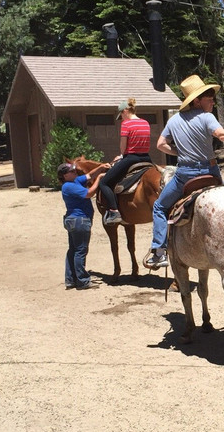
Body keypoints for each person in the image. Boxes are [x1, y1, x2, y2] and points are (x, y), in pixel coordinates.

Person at [143, 75, 224, 269]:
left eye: (211, 96)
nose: (212, 100)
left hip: (185, 175)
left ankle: (159, 252)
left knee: (159, 207)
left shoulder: (174, 121)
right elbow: (221, 134)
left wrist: (178, 152)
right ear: (196, 101)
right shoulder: (207, 117)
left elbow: (160, 145)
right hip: (211, 172)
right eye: (208, 97)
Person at [99, 97, 153, 226]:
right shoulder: (145, 122)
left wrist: (122, 156)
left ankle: (114, 211)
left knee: (104, 183)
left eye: (121, 115)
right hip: (146, 157)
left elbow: (123, 146)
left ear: (125, 111)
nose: (121, 118)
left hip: (131, 158)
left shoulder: (126, 124)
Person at [59, 160, 109, 290]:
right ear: (65, 175)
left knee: (73, 250)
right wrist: (99, 178)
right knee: (80, 251)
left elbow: (88, 176)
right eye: (72, 171)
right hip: (80, 220)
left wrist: (100, 168)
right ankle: (82, 281)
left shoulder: (73, 181)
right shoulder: (69, 186)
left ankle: (70, 280)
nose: (75, 172)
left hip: (74, 220)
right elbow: (89, 193)